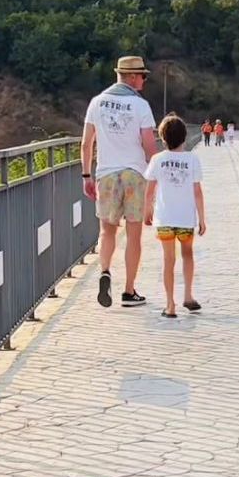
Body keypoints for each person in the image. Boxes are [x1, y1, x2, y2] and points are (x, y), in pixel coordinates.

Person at [81, 55, 157, 309]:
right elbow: (148, 144)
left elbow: (86, 143)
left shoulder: (97, 102)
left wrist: (86, 175)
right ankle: (129, 291)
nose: (144, 81)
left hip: (106, 174)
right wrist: (156, 175)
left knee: (107, 230)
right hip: (134, 175)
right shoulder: (140, 106)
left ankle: (104, 271)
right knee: (134, 234)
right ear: (133, 77)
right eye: (143, 76)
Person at [144, 114, 206, 318]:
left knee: (168, 259)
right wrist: (202, 218)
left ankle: (170, 305)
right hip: (186, 218)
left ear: (163, 138)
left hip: (164, 218)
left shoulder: (157, 159)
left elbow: (150, 189)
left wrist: (148, 210)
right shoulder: (192, 159)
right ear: (185, 137)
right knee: (187, 254)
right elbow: (197, 191)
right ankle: (188, 296)